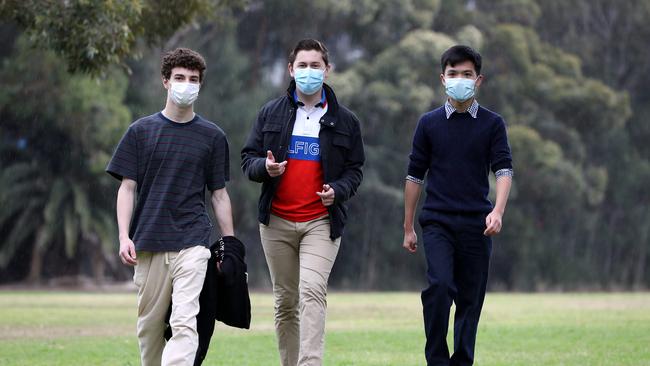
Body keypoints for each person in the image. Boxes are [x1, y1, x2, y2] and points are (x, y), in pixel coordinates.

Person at [106, 47, 234, 366]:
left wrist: (229, 244)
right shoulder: (140, 132)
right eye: (179, 77)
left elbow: (219, 194)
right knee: (150, 331)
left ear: (200, 85)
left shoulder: (213, 136)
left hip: (193, 243)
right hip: (149, 244)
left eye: (193, 79)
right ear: (166, 81)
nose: (186, 84)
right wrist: (124, 236)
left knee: (184, 321)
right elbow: (127, 188)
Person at [241, 38, 365, 366]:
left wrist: (338, 190)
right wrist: (265, 168)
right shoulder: (270, 114)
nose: (308, 72)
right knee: (285, 302)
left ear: (327, 70)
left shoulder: (346, 121)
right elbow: (247, 160)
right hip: (277, 222)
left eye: (315, 66)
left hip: (320, 222)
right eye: (302, 66)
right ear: (290, 70)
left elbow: (355, 171)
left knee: (312, 291)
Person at [402, 45, 513, 366]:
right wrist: (408, 226)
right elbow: (414, 176)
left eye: (467, 74)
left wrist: (498, 211)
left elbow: (503, 169)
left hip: (478, 225)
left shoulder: (493, 124)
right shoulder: (428, 123)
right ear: (442, 78)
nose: (459, 80)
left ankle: (462, 362)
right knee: (439, 288)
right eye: (453, 74)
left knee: (470, 300)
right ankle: (437, 360)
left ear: (479, 80)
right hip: (437, 223)